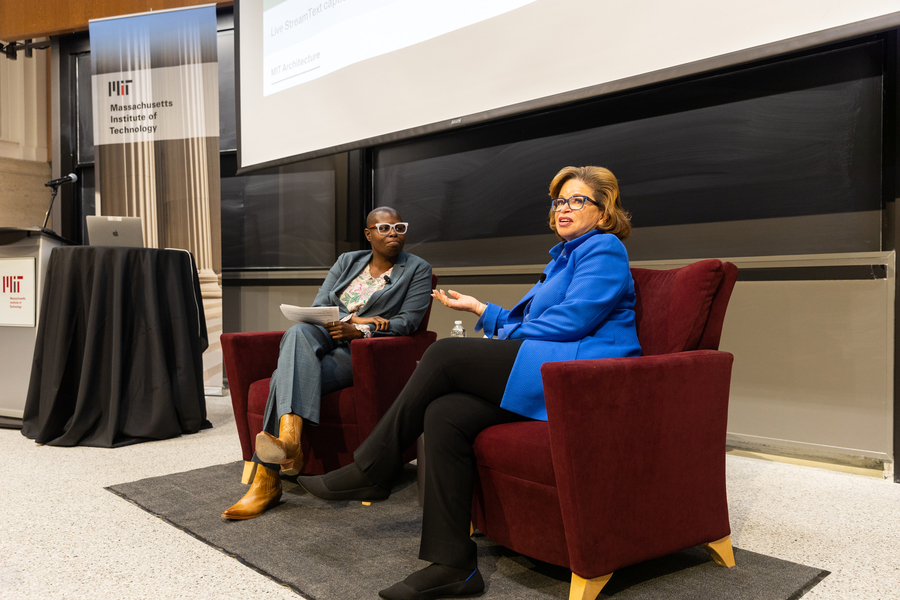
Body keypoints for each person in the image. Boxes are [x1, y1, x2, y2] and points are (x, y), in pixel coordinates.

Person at [298, 166, 641, 599]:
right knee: (446, 414)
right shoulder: (564, 257)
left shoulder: (604, 248)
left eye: (577, 200)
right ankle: (453, 566)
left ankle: (372, 468)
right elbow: (538, 321)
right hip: (552, 363)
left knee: (445, 353)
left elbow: (572, 321)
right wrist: (483, 310)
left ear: (603, 209)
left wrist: (506, 332)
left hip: (586, 376)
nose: (564, 209)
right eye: (559, 202)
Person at [221, 206, 433, 520]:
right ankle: (290, 442)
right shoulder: (348, 262)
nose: (394, 235)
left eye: (399, 228)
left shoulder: (416, 268)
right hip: (326, 334)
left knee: (283, 375)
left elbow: (408, 322)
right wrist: (355, 318)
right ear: (369, 234)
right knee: (298, 331)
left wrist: (359, 330)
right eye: (385, 229)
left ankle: (267, 480)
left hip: (360, 353)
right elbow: (320, 306)